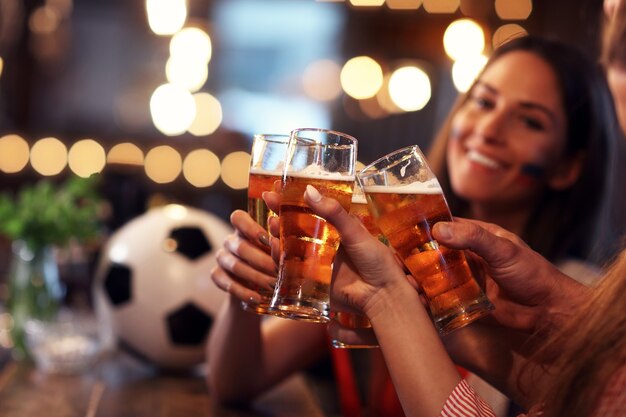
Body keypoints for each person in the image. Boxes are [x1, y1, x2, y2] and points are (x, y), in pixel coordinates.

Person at [205, 35, 623, 417]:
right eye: (483, 102)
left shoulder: (580, 300)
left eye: (529, 121)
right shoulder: (390, 245)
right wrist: (250, 288)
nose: (489, 129)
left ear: (568, 167)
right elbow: (236, 382)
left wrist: (390, 300)